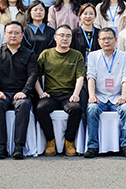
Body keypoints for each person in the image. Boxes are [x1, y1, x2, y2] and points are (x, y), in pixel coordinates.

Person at [0, 21, 37, 160]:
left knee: (23, 104)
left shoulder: (29, 54)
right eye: (10, 32)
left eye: (16, 33)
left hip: (20, 93)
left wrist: (24, 91)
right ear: (4, 34)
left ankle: (18, 147)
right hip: (2, 93)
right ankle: (1, 147)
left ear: (22, 35)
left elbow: (33, 75)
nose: (13, 35)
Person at [35, 24, 85, 156]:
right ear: (55, 37)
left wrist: (76, 94)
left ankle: (69, 141)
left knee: (76, 108)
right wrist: (41, 92)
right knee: (40, 108)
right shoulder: (46, 54)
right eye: (61, 35)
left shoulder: (77, 55)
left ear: (71, 38)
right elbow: (35, 76)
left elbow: (80, 77)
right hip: (50, 95)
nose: (65, 38)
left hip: (68, 95)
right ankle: (50, 140)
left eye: (68, 36)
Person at [84, 27, 126, 159]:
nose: (107, 41)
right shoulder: (93, 56)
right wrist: (92, 96)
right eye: (103, 38)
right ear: (99, 41)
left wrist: (123, 96)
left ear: (115, 40)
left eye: (110, 38)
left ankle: (125, 145)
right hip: (99, 96)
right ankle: (92, 146)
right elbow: (91, 77)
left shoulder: (124, 56)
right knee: (92, 109)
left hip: (117, 96)